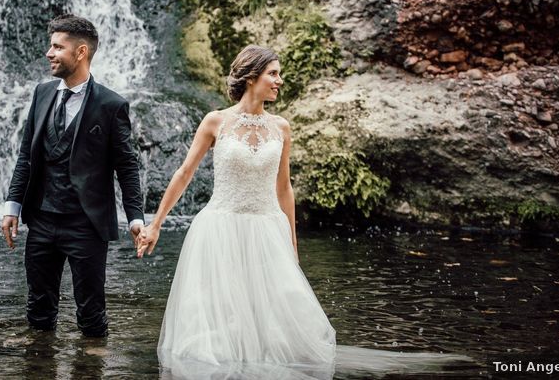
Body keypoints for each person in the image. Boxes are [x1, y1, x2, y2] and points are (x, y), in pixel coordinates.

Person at [138, 45, 470, 379]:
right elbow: (183, 174)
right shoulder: (216, 121)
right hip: (219, 227)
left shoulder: (280, 127)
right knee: (221, 314)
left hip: (267, 227)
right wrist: (155, 225)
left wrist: (292, 245)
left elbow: (284, 188)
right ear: (252, 77)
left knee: (273, 312)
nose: (279, 81)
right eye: (274, 73)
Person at [2, 14, 144, 338]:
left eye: (57, 47)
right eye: (50, 46)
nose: (49, 53)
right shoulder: (42, 93)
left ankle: (90, 369)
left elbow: (127, 166)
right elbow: (27, 155)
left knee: (92, 315)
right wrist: (13, 207)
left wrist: (135, 217)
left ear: (80, 53)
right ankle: (38, 368)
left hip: (86, 225)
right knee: (38, 311)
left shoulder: (111, 104)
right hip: (41, 219)